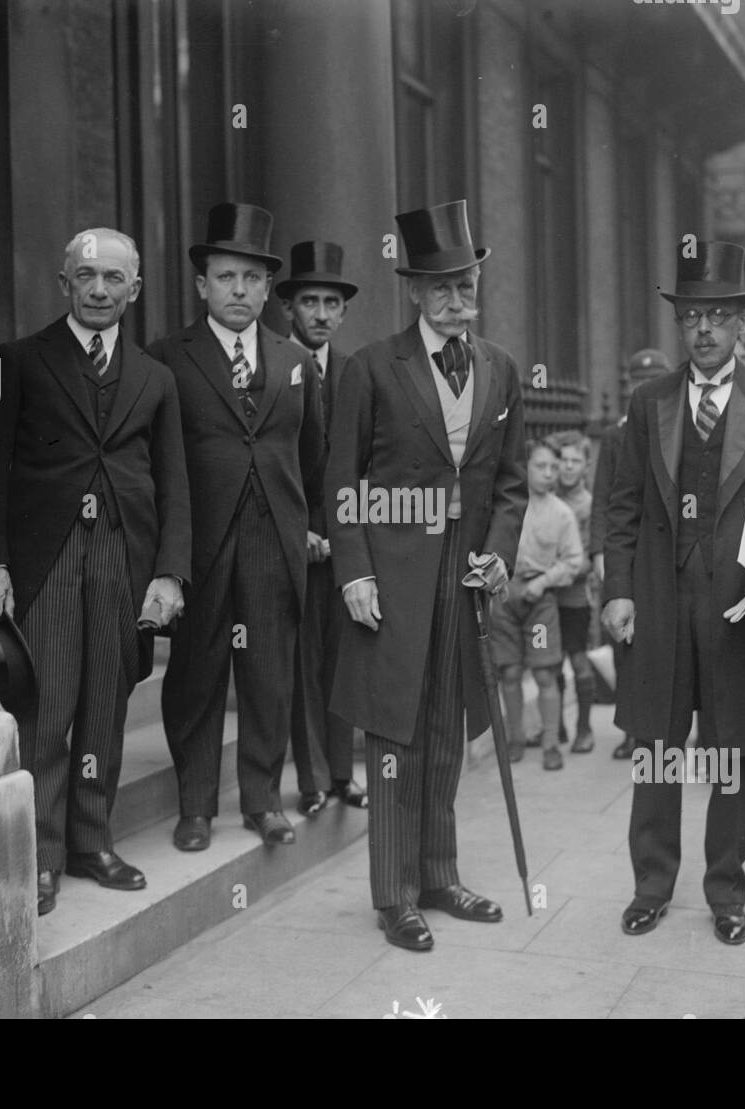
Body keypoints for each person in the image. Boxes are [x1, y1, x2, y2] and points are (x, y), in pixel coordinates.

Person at [602, 240, 745, 945]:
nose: (704, 329)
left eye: (719, 317)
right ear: (680, 324)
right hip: (661, 598)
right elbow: (623, 506)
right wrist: (618, 591)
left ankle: (726, 892)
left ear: (737, 326)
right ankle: (650, 886)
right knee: (656, 746)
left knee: (734, 749)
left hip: (742, 601)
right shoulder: (649, 404)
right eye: (693, 315)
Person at [0, 227, 191, 916]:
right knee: (48, 704)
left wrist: (171, 574)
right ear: (64, 283)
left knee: (106, 701)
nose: (98, 289)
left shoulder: (156, 379)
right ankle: (41, 853)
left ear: (135, 289)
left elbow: (175, 484)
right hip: (46, 556)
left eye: (113, 278)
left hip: (123, 555)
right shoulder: (20, 360)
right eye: (85, 275)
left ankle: (93, 840)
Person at [325, 199, 527, 952]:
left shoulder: (501, 368)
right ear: (413, 290)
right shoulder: (372, 367)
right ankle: (394, 893)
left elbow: (511, 483)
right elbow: (341, 479)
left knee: (447, 733)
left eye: (465, 281)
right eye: (439, 285)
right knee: (393, 736)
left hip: (463, 579)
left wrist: (501, 550)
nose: (455, 296)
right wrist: (353, 572)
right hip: (392, 580)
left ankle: (439, 875)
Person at [148, 203, 325, 852]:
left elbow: (313, 456)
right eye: (226, 277)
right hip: (200, 541)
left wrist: (308, 524)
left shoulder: (293, 361)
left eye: (252, 279)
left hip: (272, 541)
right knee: (196, 674)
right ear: (202, 284)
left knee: (269, 676)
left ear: (267, 287)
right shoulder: (167, 358)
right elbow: (156, 465)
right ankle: (195, 806)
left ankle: (260, 799)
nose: (240, 291)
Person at [276, 241, 368, 817]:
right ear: (289, 308)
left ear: (342, 312)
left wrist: (350, 533)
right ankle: (309, 783)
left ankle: (341, 775)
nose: (320, 313)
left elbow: (366, 461)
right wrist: (300, 529)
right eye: (308, 300)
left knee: (343, 661)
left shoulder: (355, 371)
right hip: (291, 539)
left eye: (331, 302)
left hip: (347, 542)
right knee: (302, 664)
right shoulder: (271, 366)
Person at [589, 348, 672, 760]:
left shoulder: (677, 430)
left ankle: (663, 730)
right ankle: (631, 730)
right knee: (627, 645)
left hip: (666, 555)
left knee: (663, 643)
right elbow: (603, 499)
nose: (643, 391)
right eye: (636, 384)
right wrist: (599, 558)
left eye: (651, 382)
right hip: (627, 555)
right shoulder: (616, 436)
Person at [494, 439, 584, 770]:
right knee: (511, 671)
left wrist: (542, 582)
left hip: (540, 603)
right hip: (504, 597)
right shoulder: (506, 506)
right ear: (525, 468)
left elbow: (573, 561)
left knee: (545, 671)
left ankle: (550, 744)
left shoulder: (562, 513)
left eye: (553, 468)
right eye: (540, 466)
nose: (549, 474)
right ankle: (515, 739)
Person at [550, 431, 596, 753]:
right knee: (550, 662)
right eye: (562, 460)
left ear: (585, 465)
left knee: (578, 659)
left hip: (575, 597)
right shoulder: (545, 499)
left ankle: (584, 728)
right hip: (545, 599)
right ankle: (557, 728)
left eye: (574, 461)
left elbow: (587, 559)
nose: (567, 467)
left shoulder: (588, 505)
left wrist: (557, 571)